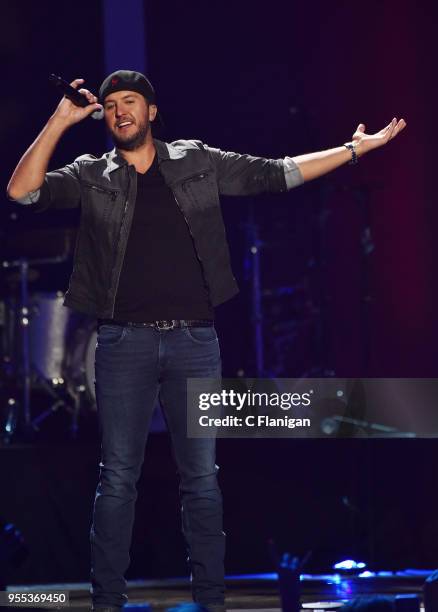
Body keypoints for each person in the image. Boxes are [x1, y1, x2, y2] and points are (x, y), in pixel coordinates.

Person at [6, 70, 406, 611]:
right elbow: (21, 190)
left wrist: (353, 151)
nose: (120, 110)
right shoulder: (90, 174)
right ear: (102, 116)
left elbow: (278, 174)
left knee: (201, 478)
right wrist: (60, 119)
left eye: (131, 101)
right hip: (124, 343)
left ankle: (211, 601)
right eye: (110, 104)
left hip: (195, 341)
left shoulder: (196, 161)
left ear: (150, 111)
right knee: (119, 476)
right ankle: (107, 603)